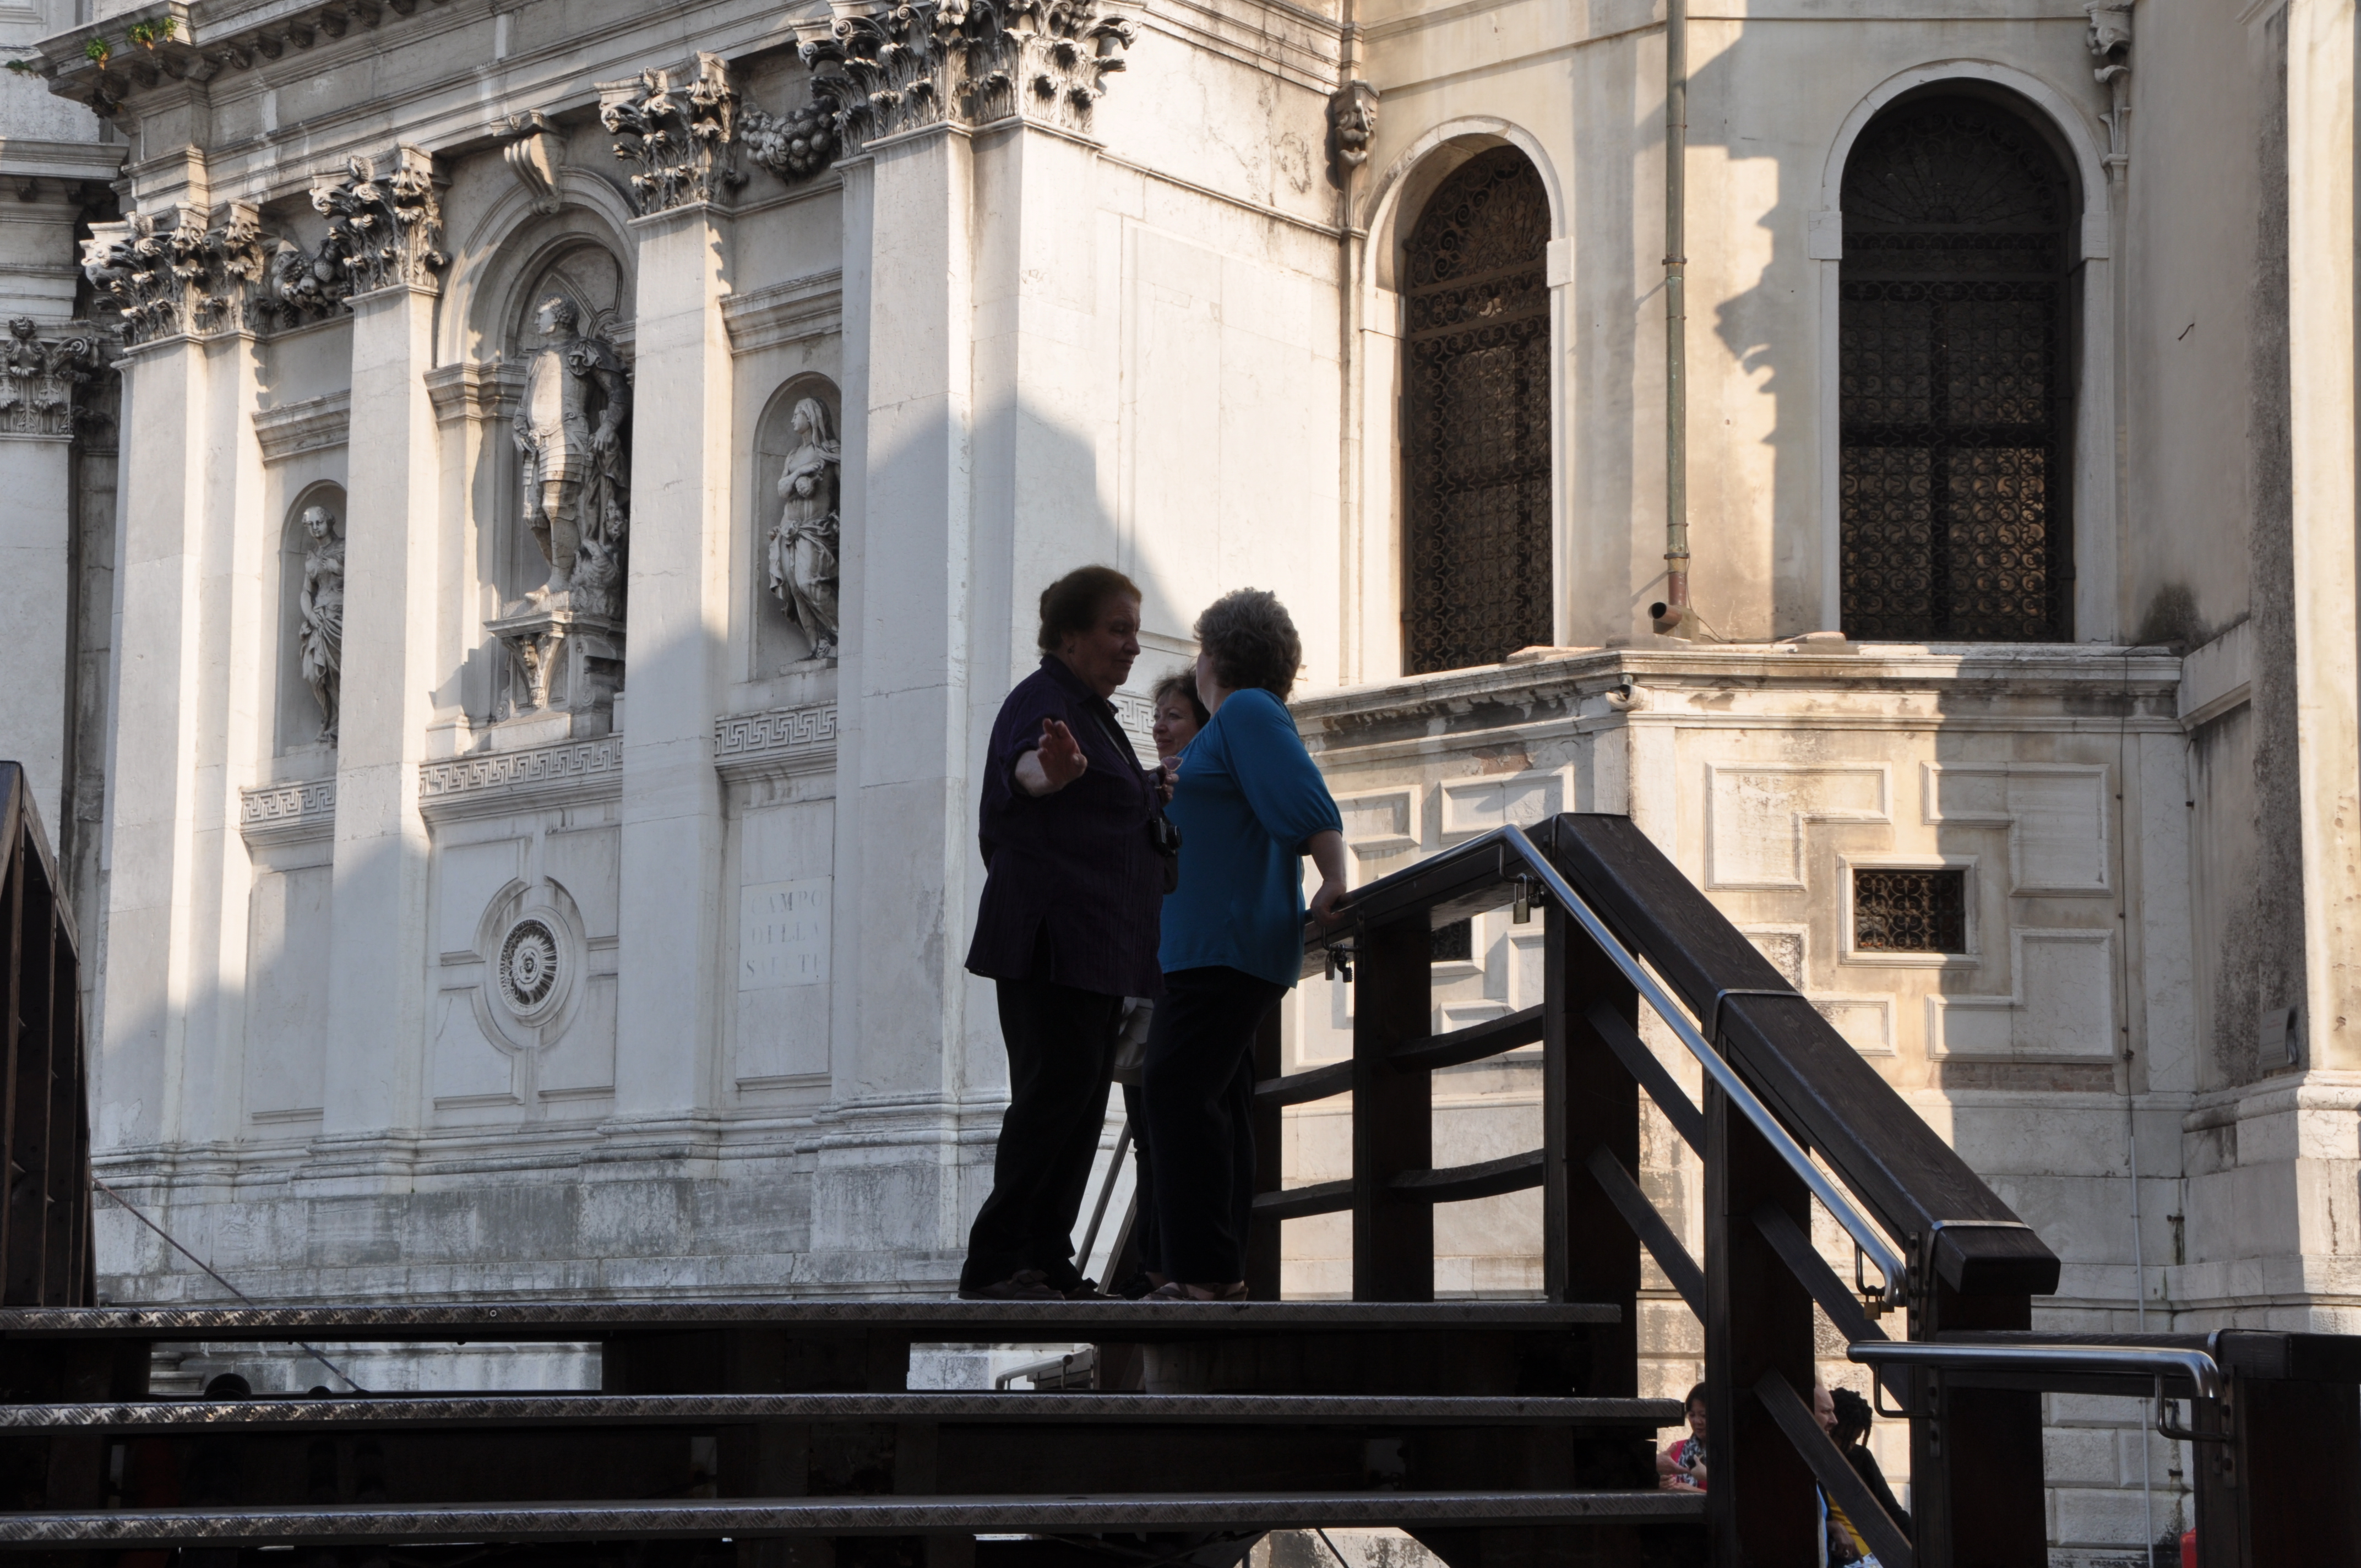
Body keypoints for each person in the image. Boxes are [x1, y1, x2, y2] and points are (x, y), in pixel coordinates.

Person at [960, 567, 1169, 1301]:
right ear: (1071, 636)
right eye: (1118, 630)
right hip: (1054, 942)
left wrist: (1151, 790)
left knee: (1077, 1106)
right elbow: (1027, 769)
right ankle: (995, 1263)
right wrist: (1048, 774)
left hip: (1095, 948)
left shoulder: (1093, 711)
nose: (1132, 646)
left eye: (1134, 631)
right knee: (1052, 1100)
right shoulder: (1045, 702)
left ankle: (1045, 1260)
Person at [1139, 589, 1347, 1300]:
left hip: (1222, 946)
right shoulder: (1227, 728)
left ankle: (1202, 1273)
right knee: (1213, 1100)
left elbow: (1307, 798)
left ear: (1215, 657)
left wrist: (1334, 873)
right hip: (1210, 947)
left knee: (1176, 1089)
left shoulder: (1247, 710)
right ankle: (1201, 1270)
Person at [1113, 672, 1213, 1295]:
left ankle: (1171, 1265)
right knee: (1149, 1134)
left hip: (1181, 973)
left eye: (1174, 715)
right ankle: (1153, 1265)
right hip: (1149, 973)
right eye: (1157, 716)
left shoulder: (1199, 788)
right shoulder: (1153, 787)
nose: (1158, 726)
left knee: (1168, 1126)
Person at [1830, 1386, 1910, 1539]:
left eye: (1854, 1440)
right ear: (1830, 1425)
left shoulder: (1862, 1457)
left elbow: (1892, 1511)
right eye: (1843, 1438)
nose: (1848, 1446)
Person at [1657, 1382, 1707, 1490]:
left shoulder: (1728, 1453)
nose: (1697, 1421)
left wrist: (1694, 1492)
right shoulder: (1677, 1449)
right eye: (1692, 1415)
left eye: (1704, 1416)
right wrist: (1661, 1484)